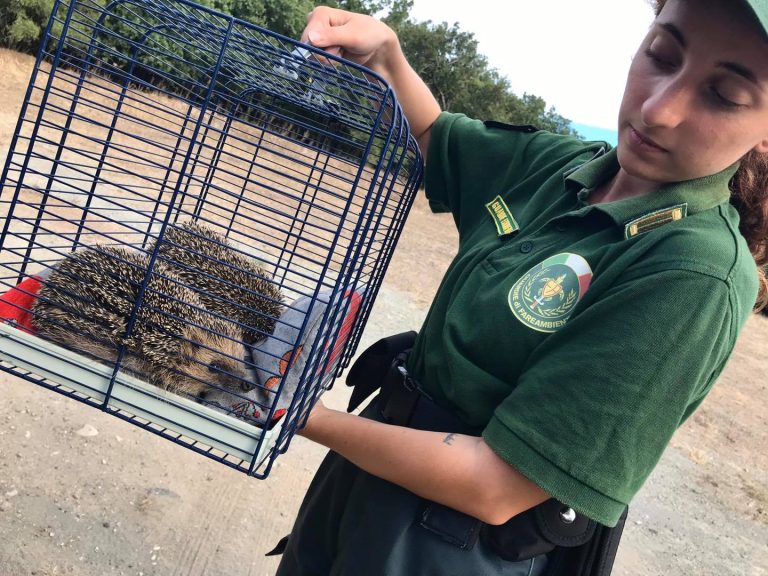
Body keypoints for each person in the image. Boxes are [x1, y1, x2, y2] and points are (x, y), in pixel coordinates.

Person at [274, 0, 768, 574]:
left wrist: (303, 415)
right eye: (662, 54)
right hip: (366, 476)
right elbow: (437, 135)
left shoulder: (694, 272)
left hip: (451, 544)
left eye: (725, 95)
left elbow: (498, 485)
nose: (660, 110)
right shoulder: (571, 168)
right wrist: (387, 58)